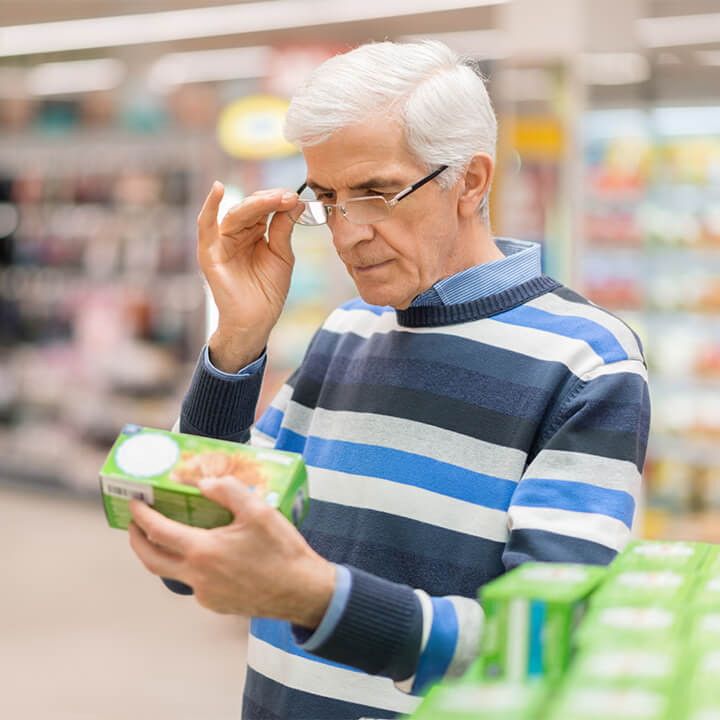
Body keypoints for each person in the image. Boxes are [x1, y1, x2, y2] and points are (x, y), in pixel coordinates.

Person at [127, 40, 650, 719]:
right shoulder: (347, 333)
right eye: (327, 199)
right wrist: (236, 340)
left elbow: (542, 645)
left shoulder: (587, 361)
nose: (348, 235)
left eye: (374, 194)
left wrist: (317, 598)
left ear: (471, 180)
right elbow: (198, 543)